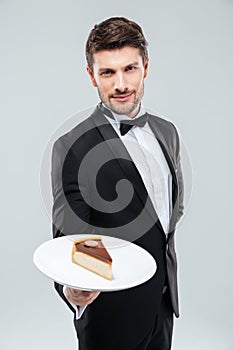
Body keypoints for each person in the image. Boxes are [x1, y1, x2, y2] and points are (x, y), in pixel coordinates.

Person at [51, 17, 184, 350]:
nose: (121, 84)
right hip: (110, 316)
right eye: (108, 72)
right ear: (91, 75)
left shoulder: (167, 133)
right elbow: (69, 235)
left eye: (130, 69)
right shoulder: (73, 146)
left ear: (146, 67)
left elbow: (162, 222)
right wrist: (73, 289)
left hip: (163, 308)